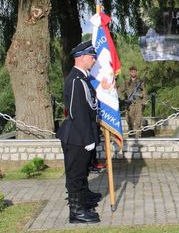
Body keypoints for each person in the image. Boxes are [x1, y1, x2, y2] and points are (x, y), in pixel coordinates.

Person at [56, 41, 101, 223]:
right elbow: (77, 111)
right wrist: (86, 137)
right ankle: (76, 212)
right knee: (75, 175)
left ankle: (82, 202)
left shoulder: (83, 78)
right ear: (82, 58)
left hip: (81, 135)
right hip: (77, 137)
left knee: (81, 173)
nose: (94, 60)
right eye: (92, 57)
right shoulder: (75, 80)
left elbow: (89, 106)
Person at [119, 66, 147, 137]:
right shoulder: (126, 82)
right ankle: (131, 136)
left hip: (138, 103)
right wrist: (123, 98)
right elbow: (119, 91)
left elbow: (144, 92)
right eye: (132, 71)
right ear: (130, 72)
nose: (133, 73)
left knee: (138, 120)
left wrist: (144, 100)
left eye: (134, 71)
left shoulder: (140, 82)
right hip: (130, 104)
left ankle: (138, 136)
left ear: (136, 72)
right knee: (130, 121)